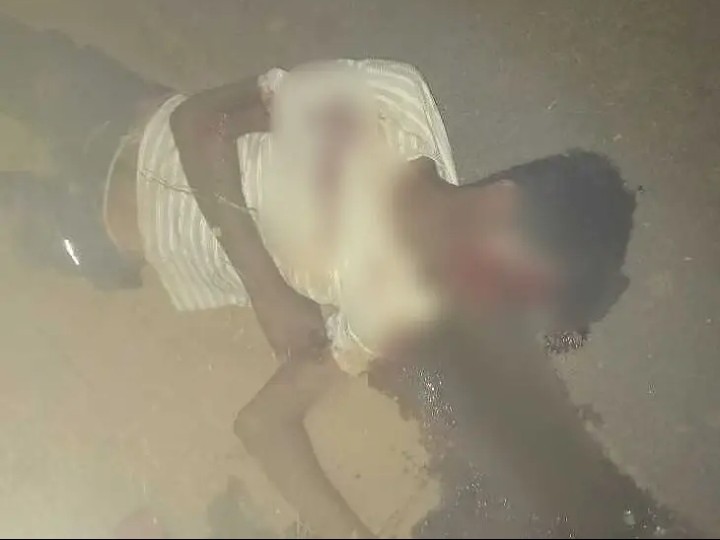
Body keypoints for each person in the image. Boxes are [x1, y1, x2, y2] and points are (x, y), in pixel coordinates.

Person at [0, 14, 636, 538]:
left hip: (105, 234)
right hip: (128, 117)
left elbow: (264, 425)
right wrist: (267, 288)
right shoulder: (396, 108)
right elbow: (200, 121)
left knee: (22, 213)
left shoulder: (401, 307)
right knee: (21, 59)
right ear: (500, 204)